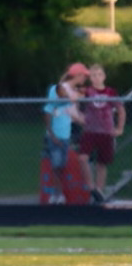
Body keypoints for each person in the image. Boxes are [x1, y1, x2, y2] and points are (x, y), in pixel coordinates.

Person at [78, 64, 126, 204]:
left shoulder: (111, 92)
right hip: (90, 131)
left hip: (106, 131)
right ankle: (91, 187)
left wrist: (120, 128)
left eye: (99, 74)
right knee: (82, 158)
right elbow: (73, 99)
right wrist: (79, 116)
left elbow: (121, 110)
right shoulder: (87, 91)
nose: (97, 78)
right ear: (90, 78)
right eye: (93, 75)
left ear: (104, 76)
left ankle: (99, 192)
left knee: (101, 164)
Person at [43, 62, 89, 205]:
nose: (85, 79)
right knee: (56, 164)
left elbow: (75, 115)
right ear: (78, 75)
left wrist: (90, 121)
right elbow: (56, 104)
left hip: (66, 134)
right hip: (54, 134)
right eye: (84, 76)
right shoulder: (58, 88)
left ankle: (59, 194)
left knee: (61, 165)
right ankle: (57, 194)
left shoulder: (75, 92)